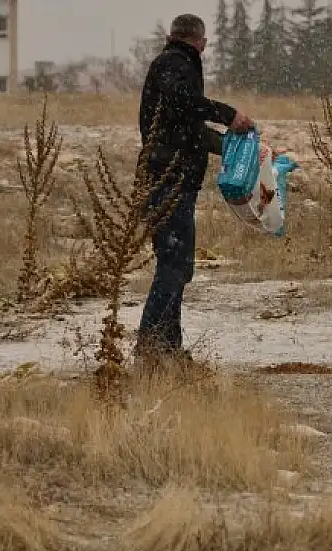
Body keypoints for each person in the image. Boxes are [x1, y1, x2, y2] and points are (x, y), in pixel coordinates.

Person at [135, 13, 254, 368]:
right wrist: (227, 113)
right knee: (173, 265)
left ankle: (168, 348)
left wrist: (232, 145)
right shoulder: (174, 65)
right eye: (205, 43)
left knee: (179, 266)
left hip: (174, 180)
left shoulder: (175, 65)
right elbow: (183, 104)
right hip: (167, 181)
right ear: (200, 41)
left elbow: (186, 127)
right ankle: (152, 348)